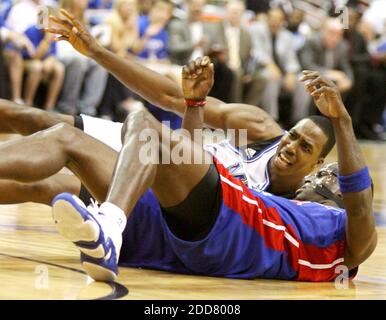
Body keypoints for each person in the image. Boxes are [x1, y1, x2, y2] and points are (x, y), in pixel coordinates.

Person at [49, 55, 376, 282]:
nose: (323, 176)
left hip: (220, 216)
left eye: (328, 176)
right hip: (185, 201)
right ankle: (109, 226)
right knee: (60, 149)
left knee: (139, 127)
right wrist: (194, 105)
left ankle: (110, 226)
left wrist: (342, 121)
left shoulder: (340, 234)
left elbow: (360, 207)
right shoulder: (286, 191)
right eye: (293, 137)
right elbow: (182, 157)